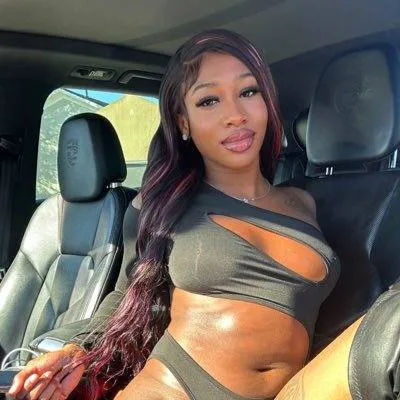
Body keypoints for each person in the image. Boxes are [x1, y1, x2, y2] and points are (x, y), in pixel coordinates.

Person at [8, 29, 395, 400]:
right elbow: (126, 295)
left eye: (248, 92)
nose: (236, 114)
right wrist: (77, 347)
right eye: (209, 101)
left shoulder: (305, 202)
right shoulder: (163, 205)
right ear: (183, 122)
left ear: (266, 102)